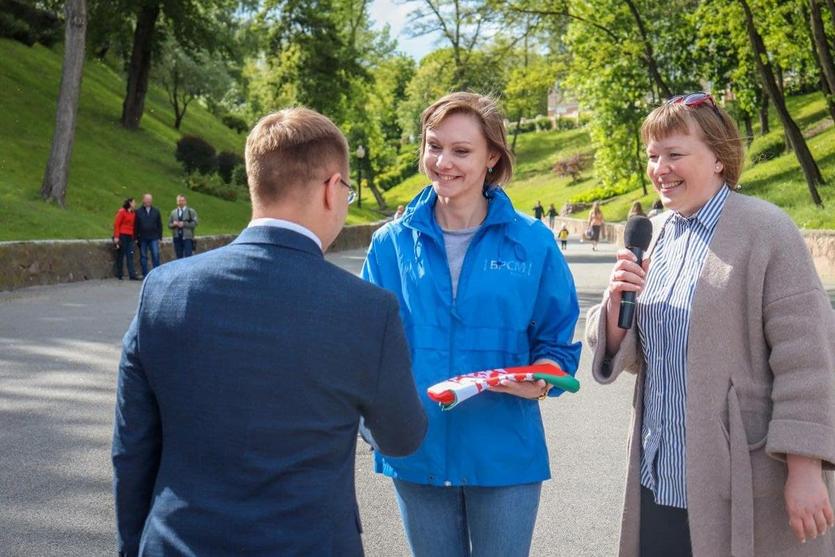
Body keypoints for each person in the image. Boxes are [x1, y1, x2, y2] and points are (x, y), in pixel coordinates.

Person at [112, 107, 428, 556]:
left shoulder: (163, 289)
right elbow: (403, 438)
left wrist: (132, 547)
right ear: (332, 189)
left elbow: (132, 447)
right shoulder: (367, 309)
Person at [585, 92, 835, 557]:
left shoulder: (766, 230)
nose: (660, 168)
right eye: (653, 156)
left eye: (675, 154)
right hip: (657, 471)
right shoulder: (654, 234)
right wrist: (617, 309)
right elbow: (638, 351)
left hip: (741, 478)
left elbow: (808, 358)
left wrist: (805, 469)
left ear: (719, 158)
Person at [362, 92, 581, 557]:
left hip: (504, 454)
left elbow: (556, 345)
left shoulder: (534, 242)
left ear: (492, 157)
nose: (444, 162)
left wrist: (539, 382)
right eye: (434, 146)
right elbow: (366, 348)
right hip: (417, 451)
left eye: (462, 151)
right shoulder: (389, 245)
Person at [134, 193, 162, 277]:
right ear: (143, 200)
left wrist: (160, 236)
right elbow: (135, 225)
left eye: (150, 199)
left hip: (154, 237)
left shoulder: (156, 211)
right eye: (147, 199)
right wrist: (135, 237)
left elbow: (159, 224)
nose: (148, 201)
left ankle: (157, 274)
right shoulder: (138, 211)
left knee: (155, 255)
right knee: (143, 256)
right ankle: (145, 274)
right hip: (142, 237)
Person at [112, 198, 139, 281]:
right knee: (121, 255)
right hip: (122, 235)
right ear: (130, 203)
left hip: (130, 235)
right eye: (134, 203)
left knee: (130, 255)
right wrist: (116, 236)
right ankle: (119, 274)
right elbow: (117, 224)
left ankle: (132, 274)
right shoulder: (122, 211)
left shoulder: (133, 213)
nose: (135, 204)